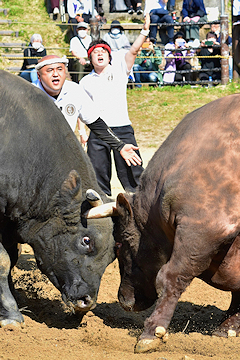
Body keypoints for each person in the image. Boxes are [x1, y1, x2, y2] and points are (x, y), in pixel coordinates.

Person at [78, 15, 151, 196]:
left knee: (133, 170)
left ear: (109, 55)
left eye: (104, 51)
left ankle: (142, 202)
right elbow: (82, 108)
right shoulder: (85, 81)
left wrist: (144, 31)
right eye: (96, 52)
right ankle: (101, 203)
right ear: (90, 58)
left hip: (122, 128)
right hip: (98, 130)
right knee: (97, 173)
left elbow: (133, 51)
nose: (100, 54)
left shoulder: (119, 69)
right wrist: (82, 132)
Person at [34, 55, 141, 171]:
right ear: (39, 76)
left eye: (60, 69)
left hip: (63, 153)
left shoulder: (74, 91)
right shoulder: (29, 94)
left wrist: (120, 146)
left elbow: (96, 123)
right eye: (50, 70)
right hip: (35, 154)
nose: (56, 74)